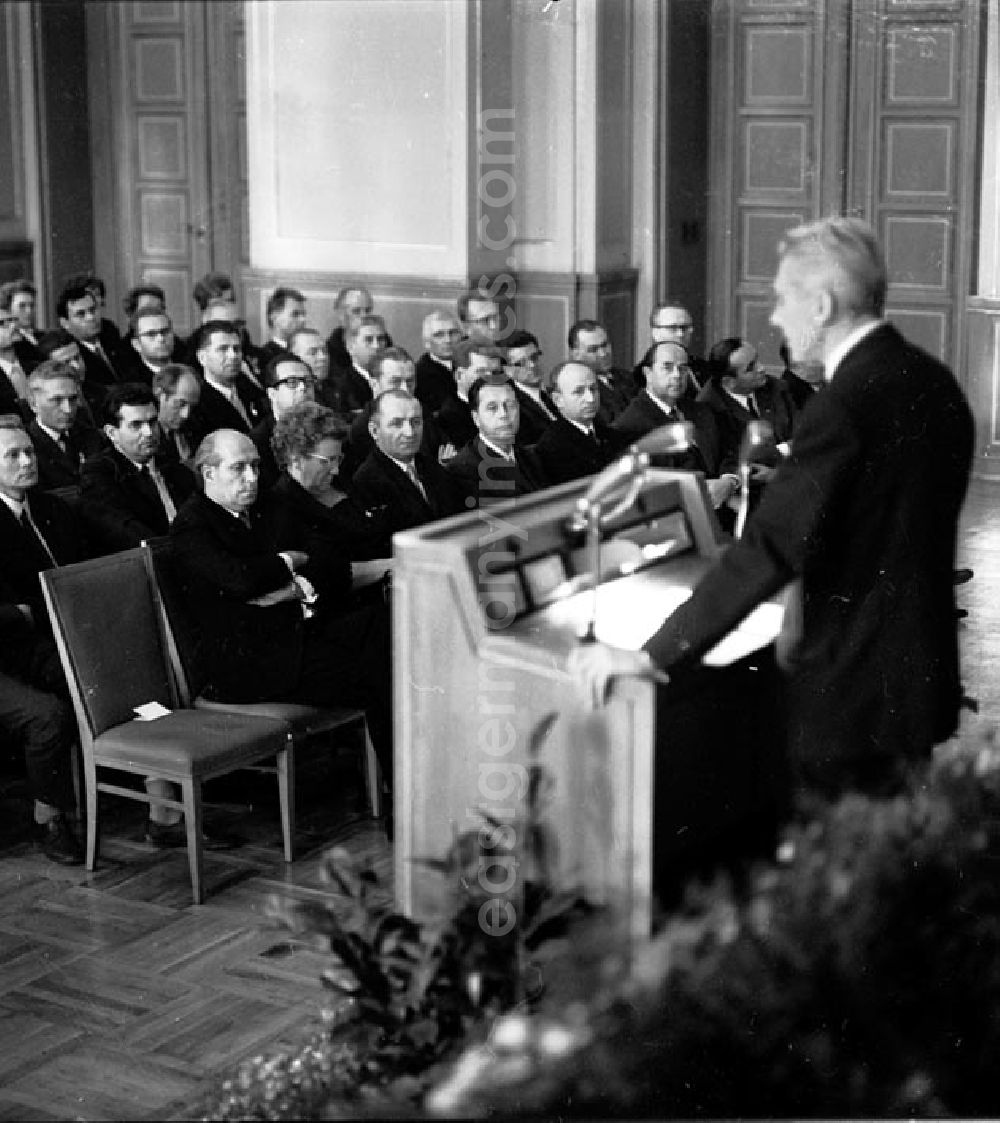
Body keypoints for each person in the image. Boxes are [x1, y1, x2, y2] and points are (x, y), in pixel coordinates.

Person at [570, 216, 975, 800]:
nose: (776, 315)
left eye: (784, 297)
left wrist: (651, 655)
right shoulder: (932, 379)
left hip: (850, 692)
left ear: (822, 305)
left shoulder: (842, 405)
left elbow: (771, 547)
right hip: (916, 678)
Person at [168, 428, 394, 790]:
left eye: (255, 467)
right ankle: (404, 797)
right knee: (379, 670)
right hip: (248, 666)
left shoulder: (266, 506)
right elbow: (240, 580)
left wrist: (294, 588)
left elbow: (331, 562)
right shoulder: (192, 526)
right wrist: (290, 558)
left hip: (294, 637)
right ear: (209, 473)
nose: (252, 478)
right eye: (239, 468)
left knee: (383, 628)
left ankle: (405, 791)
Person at [0, 419, 84, 864]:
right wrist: (24, 612)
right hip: (15, 646)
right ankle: (50, 816)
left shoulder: (53, 509)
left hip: (64, 629)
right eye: (13, 455)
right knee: (66, 695)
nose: (28, 462)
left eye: (29, 452)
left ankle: (159, 799)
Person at [266, 402, 392, 607]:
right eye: (327, 461)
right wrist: (392, 566)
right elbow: (330, 575)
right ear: (295, 459)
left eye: (338, 459)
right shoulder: (282, 508)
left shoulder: (342, 483)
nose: (335, 470)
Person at [613, 340, 739, 516]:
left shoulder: (701, 410)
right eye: (667, 367)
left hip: (726, 507)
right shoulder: (630, 426)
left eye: (683, 368)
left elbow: (729, 452)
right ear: (648, 373)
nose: (677, 375)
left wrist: (728, 481)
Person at [79, 382, 195, 552]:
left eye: (153, 422)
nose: (149, 432)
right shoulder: (100, 472)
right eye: (136, 425)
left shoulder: (173, 465)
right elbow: (124, 531)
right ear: (112, 433)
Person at [352, 389, 465, 532]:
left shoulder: (433, 468)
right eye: (397, 424)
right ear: (375, 431)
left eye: (416, 422)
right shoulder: (367, 483)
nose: (410, 432)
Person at [445, 376, 544, 506]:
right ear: (476, 418)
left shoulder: (532, 456)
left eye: (510, 405)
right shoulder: (464, 469)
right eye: (492, 408)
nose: (504, 414)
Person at [530, 360, 627, 485]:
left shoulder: (611, 435)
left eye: (593, 389)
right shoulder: (552, 447)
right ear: (558, 400)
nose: (590, 398)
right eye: (579, 392)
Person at [187, 319, 269, 448]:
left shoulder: (252, 392)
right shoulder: (197, 403)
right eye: (223, 349)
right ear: (202, 357)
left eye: (237, 349)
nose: (233, 355)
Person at [26, 360, 105, 490]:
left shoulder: (93, 437)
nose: (68, 409)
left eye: (73, 399)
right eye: (57, 400)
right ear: (33, 404)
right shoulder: (26, 447)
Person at [250, 353, 317, 489]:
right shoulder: (257, 442)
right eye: (292, 383)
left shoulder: (324, 428)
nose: (303, 388)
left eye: (308, 381)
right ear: (272, 393)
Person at [568, 319, 640, 424]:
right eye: (593, 350)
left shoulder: (628, 377)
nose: (603, 354)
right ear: (575, 354)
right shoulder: (576, 389)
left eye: (605, 345)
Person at [503, 329, 558, 446]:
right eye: (520, 363)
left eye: (534, 357)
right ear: (507, 370)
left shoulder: (553, 392)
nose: (532, 365)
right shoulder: (512, 405)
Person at [152, 363, 201, 465]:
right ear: (161, 395)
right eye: (180, 404)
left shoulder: (196, 427)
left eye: (192, 406)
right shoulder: (149, 438)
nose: (186, 414)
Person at [415, 310, 463, 413]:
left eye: (453, 333)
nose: (448, 340)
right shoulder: (419, 375)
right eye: (439, 335)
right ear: (427, 342)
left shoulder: (470, 364)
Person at [258, 286, 307, 367]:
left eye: (304, 314)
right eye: (295, 314)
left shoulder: (309, 352)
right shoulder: (265, 357)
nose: (303, 320)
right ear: (274, 317)